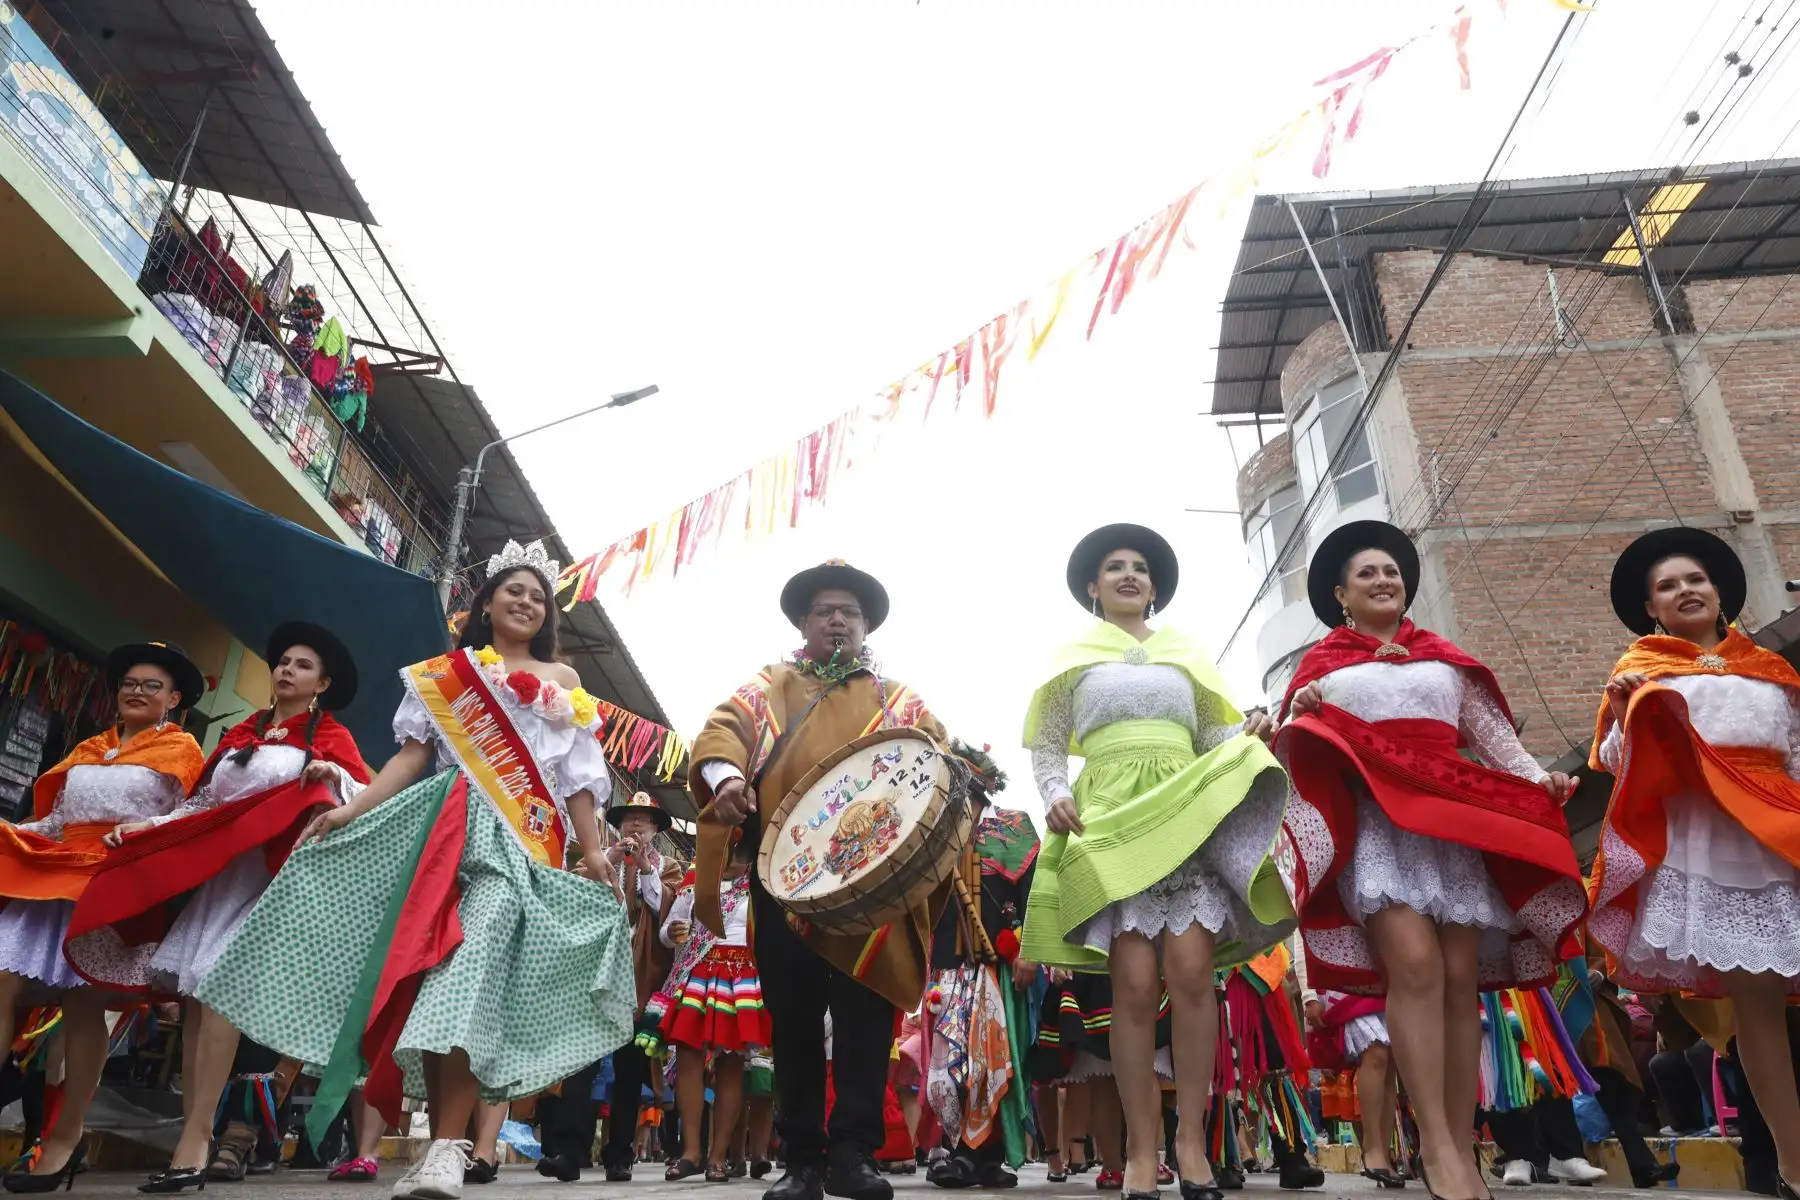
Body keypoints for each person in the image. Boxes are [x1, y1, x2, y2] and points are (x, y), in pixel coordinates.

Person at [192, 540, 635, 1200]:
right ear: (487, 602)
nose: (526, 602)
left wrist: (593, 850)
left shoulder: (562, 680)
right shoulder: (446, 674)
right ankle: (436, 1146)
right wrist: (350, 809)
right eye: (513, 590)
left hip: (516, 845)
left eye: (538, 597)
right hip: (441, 831)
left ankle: (448, 1149)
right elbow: (410, 757)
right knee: (431, 978)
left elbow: (576, 776)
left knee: (468, 976)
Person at [1275, 520, 1584, 1200]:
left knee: (1458, 980)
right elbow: (1294, 753)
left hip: (1454, 834)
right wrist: (1296, 713)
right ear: (1341, 595)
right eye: (1367, 573)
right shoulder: (1323, 670)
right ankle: (1437, 1148)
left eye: (1392, 571)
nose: (1384, 580)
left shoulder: (1445, 661)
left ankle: (1461, 1143)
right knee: (1414, 967)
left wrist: (1542, 783)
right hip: (1380, 836)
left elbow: (1498, 743)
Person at [1020, 523, 1295, 1200]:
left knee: (1194, 975)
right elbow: (1048, 743)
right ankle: (1141, 1150)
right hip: (1112, 820)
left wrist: (1251, 731)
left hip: (1184, 816)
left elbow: (1216, 735)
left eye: (1139, 567)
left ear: (1152, 586)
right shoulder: (1073, 658)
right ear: (1094, 586)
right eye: (1115, 566)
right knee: (1135, 987)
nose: (1129, 574)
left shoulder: (1186, 655)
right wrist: (1054, 793)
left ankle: (1190, 1141)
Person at [66, 622, 370, 1193]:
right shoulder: (242, 733)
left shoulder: (330, 736)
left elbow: (363, 797)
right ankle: (195, 1134)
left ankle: (199, 1137)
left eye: (303, 665)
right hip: (220, 879)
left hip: (274, 882)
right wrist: (148, 827)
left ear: (323, 684)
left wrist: (335, 776)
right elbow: (202, 805)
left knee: (218, 992)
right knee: (196, 1000)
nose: (287, 670)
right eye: (283, 661)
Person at [690, 558, 950, 1200]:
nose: (837, 620)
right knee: (794, 1018)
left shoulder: (899, 701)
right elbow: (723, 731)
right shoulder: (771, 686)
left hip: (876, 885)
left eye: (849, 612)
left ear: (866, 627)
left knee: (867, 1020)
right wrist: (727, 779)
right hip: (788, 879)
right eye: (825, 611)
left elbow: (939, 761)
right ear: (803, 623)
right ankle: (801, 1159)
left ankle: (854, 1156)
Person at [1587, 526, 1800, 1199]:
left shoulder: (1771, 669)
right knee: (1758, 1011)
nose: (1685, 590)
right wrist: (1625, 708)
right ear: (1651, 607)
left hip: (1784, 837)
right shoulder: (1641, 670)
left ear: (1718, 592)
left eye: (1695, 579)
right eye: (1668, 586)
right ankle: (1794, 1163)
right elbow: (1619, 763)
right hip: (1712, 852)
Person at [0, 641, 206, 1192]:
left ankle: (64, 1140)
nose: (137, 692)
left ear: (174, 699)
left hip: (114, 882)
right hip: (55, 874)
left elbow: (193, 812)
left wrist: (146, 829)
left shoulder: (182, 749)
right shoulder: (90, 747)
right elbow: (57, 821)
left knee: (83, 1004)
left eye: (152, 685)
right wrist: (15, 833)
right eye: (129, 683)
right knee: (1, 980)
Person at [539, 791, 682, 1183]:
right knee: (581, 1063)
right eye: (629, 817)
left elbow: (666, 911)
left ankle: (619, 1154)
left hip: (638, 979)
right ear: (618, 826)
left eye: (644, 819)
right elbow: (571, 890)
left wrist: (645, 868)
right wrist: (612, 859)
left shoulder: (668, 867)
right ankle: (569, 1150)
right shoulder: (598, 857)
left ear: (655, 828)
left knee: (629, 1068)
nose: (635, 824)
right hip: (594, 973)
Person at [923, 742, 1038, 1189]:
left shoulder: (1012, 830)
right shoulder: (932, 836)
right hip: (949, 969)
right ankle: (958, 1152)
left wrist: (1028, 948)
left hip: (997, 969)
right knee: (952, 1066)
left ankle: (987, 1157)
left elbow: (1032, 896)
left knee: (991, 1064)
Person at [658, 830, 769, 1182]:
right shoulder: (696, 879)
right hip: (698, 973)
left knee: (731, 1066)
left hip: (741, 978)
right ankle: (691, 1152)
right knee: (688, 1058)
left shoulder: (762, 884)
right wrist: (672, 932)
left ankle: (717, 1158)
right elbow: (667, 931)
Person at [1311, 990, 1399, 1187]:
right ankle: (1372, 1147)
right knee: (1376, 1052)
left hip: (1388, 986)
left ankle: (1384, 1153)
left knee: (1390, 1065)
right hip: (1348, 986)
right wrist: (1309, 996)